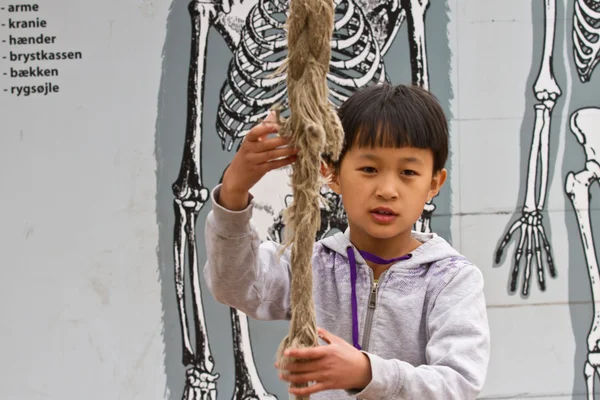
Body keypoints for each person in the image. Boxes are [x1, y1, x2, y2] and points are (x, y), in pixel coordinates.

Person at [203, 83, 490, 399]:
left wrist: (367, 373)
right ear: (333, 174)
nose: (387, 189)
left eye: (408, 172)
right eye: (369, 168)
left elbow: (458, 385)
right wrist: (232, 192)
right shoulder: (312, 265)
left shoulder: (451, 279)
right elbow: (233, 284)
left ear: (434, 183)